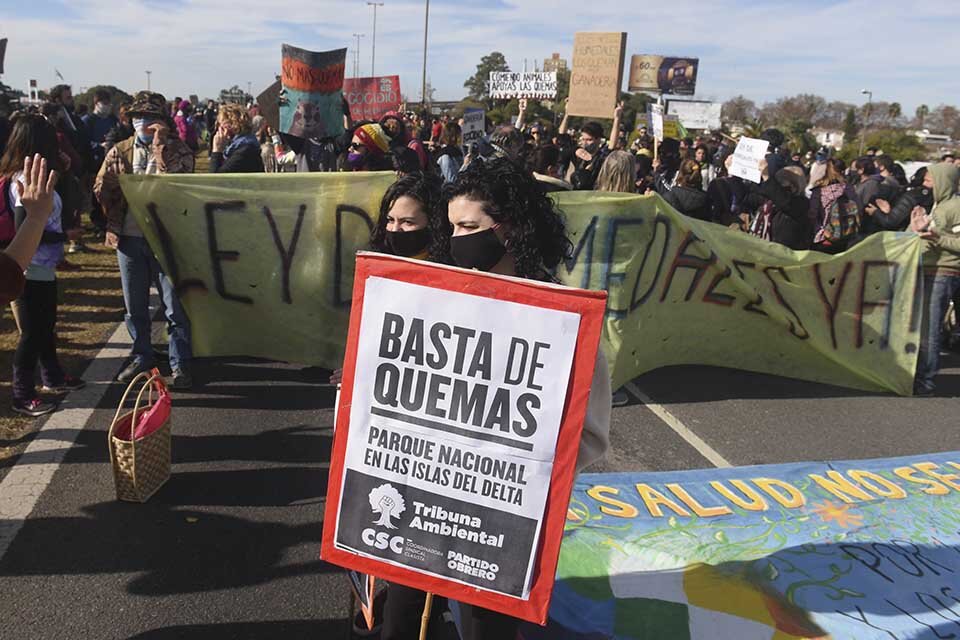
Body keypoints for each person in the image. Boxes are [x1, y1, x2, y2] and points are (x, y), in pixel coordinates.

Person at [433, 157, 611, 640]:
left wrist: (518, 469)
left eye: (469, 226)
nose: (456, 239)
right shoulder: (441, 301)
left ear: (509, 229)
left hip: (512, 517)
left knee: (493, 625)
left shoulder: (561, 318)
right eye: (451, 227)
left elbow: (590, 435)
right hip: (439, 500)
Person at [94, 91, 196, 389]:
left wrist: (161, 150)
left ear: (163, 121)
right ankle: (142, 358)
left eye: (150, 117)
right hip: (128, 237)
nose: (143, 122)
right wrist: (107, 186)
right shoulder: (121, 149)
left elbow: (180, 187)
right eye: (138, 117)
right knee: (134, 307)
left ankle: (180, 364)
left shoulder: (179, 150)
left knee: (173, 306)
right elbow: (100, 188)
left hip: (165, 239)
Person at [1, 116, 86, 416]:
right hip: (28, 267)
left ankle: (52, 375)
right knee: (31, 332)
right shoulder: (22, 182)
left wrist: (63, 171)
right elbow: (27, 227)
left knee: (46, 326)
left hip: (44, 266)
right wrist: (65, 235)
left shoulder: (42, 177)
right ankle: (22, 393)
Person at [912, 162, 960, 396]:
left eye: (931, 180)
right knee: (922, 328)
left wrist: (937, 237)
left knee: (930, 330)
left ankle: (926, 381)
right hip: (928, 270)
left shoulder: (956, 207)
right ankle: (920, 376)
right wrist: (915, 230)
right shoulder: (937, 207)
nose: (926, 184)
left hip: (943, 273)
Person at [808, 159, 860, 253]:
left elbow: (812, 215)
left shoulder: (819, 191)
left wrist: (821, 231)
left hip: (825, 237)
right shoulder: (849, 188)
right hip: (846, 235)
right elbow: (858, 208)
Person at [210, 104, 263, 173]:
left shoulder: (245, 150)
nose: (219, 128)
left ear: (234, 124)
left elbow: (215, 179)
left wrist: (216, 150)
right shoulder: (239, 145)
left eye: (221, 124)